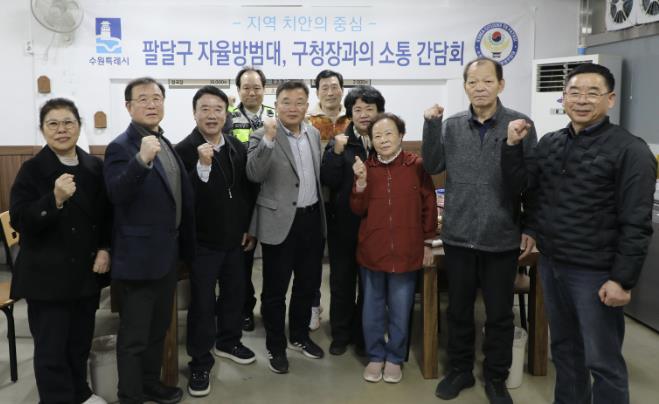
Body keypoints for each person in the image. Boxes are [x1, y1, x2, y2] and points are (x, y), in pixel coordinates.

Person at [502, 63, 656, 404]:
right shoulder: (552, 142)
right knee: (565, 351)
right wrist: (512, 146)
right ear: (564, 97)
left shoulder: (630, 150)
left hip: (596, 272)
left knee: (602, 361)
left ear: (610, 99)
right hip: (552, 264)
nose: (582, 100)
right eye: (574, 92)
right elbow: (527, 189)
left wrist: (622, 280)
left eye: (592, 93)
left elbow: (637, 222)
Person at [422, 57, 537, 404]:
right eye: (473, 82)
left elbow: (531, 182)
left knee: (500, 313)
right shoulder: (452, 125)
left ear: (501, 84)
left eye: (487, 81)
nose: (480, 88)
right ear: (465, 86)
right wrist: (431, 125)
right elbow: (433, 164)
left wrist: (530, 226)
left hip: (501, 236)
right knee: (458, 310)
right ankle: (460, 370)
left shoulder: (520, 124)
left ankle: (496, 377)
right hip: (458, 234)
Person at [9, 98, 110, 404]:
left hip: (85, 272)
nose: (61, 129)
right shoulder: (32, 170)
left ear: (79, 126)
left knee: (79, 342)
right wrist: (54, 199)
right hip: (46, 275)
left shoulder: (94, 166)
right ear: (43, 130)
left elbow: (107, 216)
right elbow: (20, 220)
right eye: (53, 124)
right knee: (52, 349)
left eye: (68, 122)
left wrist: (105, 248)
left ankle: (79, 392)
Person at [104, 77, 195, 404]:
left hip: (166, 256)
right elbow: (116, 193)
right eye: (142, 99)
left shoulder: (164, 141)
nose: (151, 104)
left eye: (156, 98)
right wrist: (140, 161)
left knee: (157, 330)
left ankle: (149, 385)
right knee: (134, 337)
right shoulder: (121, 147)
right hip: (138, 259)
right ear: (128, 107)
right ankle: (129, 396)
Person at [175, 86, 257, 397]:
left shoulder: (234, 145)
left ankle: (228, 341)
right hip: (202, 244)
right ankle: (199, 361)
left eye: (218, 109)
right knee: (203, 303)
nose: (211, 115)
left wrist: (247, 227)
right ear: (194, 113)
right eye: (205, 109)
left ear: (226, 113)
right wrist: (203, 167)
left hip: (234, 239)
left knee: (235, 295)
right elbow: (185, 200)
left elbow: (244, 192)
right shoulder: (183, 150)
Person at [246, 80, 326, 374]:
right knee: (275, 291)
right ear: (276, 105)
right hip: (279, 222)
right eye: (286, 102)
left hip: (311, 220)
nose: (293, 108)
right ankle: (276, 345)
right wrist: (268, 140)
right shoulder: (261, 134)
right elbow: (253, 174)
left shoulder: (313, 133)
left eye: (299, 102)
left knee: (307, 285)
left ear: (307, 105)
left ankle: (299, 336)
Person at [350, 112, 436, 384]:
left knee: (401, 309)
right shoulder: (366, 168)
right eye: (377, 135)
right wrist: (361, 183)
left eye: (389, 133)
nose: (383, 139)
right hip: (372, 251)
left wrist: (428, 243)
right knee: (372, 310)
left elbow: (429, 205)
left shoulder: (416, 165)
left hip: (407, 250)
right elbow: (357, 209)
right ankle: (376, 355)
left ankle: (395, 358)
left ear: (401, 136)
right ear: (370, 140)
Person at [320, 85, 385, 355]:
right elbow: (329, 180)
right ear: (350, 114)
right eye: (358, 109)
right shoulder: (340, 141)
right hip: (344, 226)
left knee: (371, 284)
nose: (364, 114)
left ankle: (363, 335)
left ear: (379, 111)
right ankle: (341, 334)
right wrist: (336, 152)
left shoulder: (385, 139)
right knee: (342, 282)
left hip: (377, 226)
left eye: (369, 109)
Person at [228, 66, 276, 332]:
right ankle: (245, 309)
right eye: (246, 87)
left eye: (257, 87)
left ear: (264, 89)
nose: (252, 92)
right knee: (242, 259)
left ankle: (270, 309)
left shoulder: (275, 115)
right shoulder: (227, 118)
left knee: (274, 258)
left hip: (271, 194)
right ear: (238, 90)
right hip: (241, 196)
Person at [307, 69, 351, 331]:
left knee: (342, 262)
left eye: (335, 87)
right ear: (317, 92)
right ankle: (313, 306)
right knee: (312, 259)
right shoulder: (307, 119)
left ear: (342, 90)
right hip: (315, 200)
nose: (331, 92)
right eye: (325, 87)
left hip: (345, 200)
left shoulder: (353, 117)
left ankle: (343, 315)